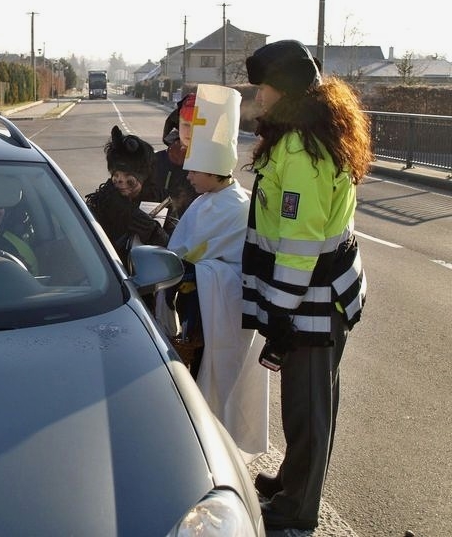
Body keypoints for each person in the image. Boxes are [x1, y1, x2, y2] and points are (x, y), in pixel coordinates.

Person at [242, 39, 372, 531]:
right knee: (310, 403)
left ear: (286, 91)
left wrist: (278, 314)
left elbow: (298, 242)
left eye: (264, 87)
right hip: (320, 293)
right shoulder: (311, 133)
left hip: (312, 300)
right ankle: (294, 480)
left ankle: (298, 509)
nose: (258, 97)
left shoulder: (300, 148)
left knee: (309, 407)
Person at [159, 84, 268, 461]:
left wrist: (197, 274)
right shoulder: (204, 201)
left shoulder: (239, 209)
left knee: (216, 390)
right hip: (195, 313)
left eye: (194, 169)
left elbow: (239, 273)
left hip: (217, 318)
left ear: (211, 169)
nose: (187, 176)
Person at [85, 125, 176, 272]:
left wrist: (154, 232)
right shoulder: (101, 201)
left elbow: (175, 248)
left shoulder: (161, 200)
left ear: (143, 179)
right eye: (116, 177)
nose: (121, 183)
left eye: (130, 180)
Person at [155, 95, 199, 218]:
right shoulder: (157, 161)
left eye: (196, 125)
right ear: (178, 125)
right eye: (186, 124)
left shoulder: (213, 169)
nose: (190, 131)